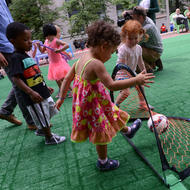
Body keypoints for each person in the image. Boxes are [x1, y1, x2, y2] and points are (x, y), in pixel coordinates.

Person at [55, 20, 154, 171]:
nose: (110, 56)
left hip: (94, 100)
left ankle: (128, 131)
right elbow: (112, 85)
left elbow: (68, 78)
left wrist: (61, 97)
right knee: (100, 131)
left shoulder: (83, 57)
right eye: (111, 52)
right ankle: (103, 162)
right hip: (92, 105)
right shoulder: (96, 64)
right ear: (103, 47)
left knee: (113, 113)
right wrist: (136, 79)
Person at [6, 22, 66, 145]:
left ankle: (41, 130)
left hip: (40, 91)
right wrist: (31, 92)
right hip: (32, 97)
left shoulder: (25, 56)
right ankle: (49, 138)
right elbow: (16, 79)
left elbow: (33, 73)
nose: (30, 42)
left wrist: (44, 86)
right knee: (42, 115)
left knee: (49, 109)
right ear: (13, 41)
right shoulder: (15, 58)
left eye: (30, 38)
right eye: (25, 39)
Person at [0, 0, 37, 130]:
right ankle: (31, 121)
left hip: (13, 45)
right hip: (4, 47)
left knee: (21, 81)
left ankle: (5, 110)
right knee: (19, 84)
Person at [115, 19, 154, 110]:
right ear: (125, 37)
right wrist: (133, 79)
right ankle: (115, 105)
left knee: (141, 86)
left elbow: (140, 62)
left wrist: (143, 73)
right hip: (121, 74)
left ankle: (142, 103)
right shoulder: (123, 49)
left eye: (135, 38)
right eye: (130, 38)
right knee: (126, 92)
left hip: (131, 73)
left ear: (140, 36)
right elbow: (121, 66)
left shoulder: (139, 48)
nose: (133, 41)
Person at [38, 24, 72, 98]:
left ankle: (72, 90)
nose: (47, 37)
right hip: (52, 64)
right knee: (57, 79)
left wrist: (60, 50)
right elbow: (42, 51)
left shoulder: (56, 41)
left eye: (48, 35)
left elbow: (67, 45)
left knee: (63, 79)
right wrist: (38, 46)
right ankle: (62, 92)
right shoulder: (46, 41)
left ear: (53, 34)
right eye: (46, 36)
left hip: (59, 63)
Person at [132, 6, 163, 72]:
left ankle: (147, 69)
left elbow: (135, 42)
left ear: (140, 17)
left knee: (132, 50)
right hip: (154, 48)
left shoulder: (147, 28)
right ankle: (155, 62)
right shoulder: (147, 19)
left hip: (154, 51)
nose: (133, 21)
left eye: (134, 19)